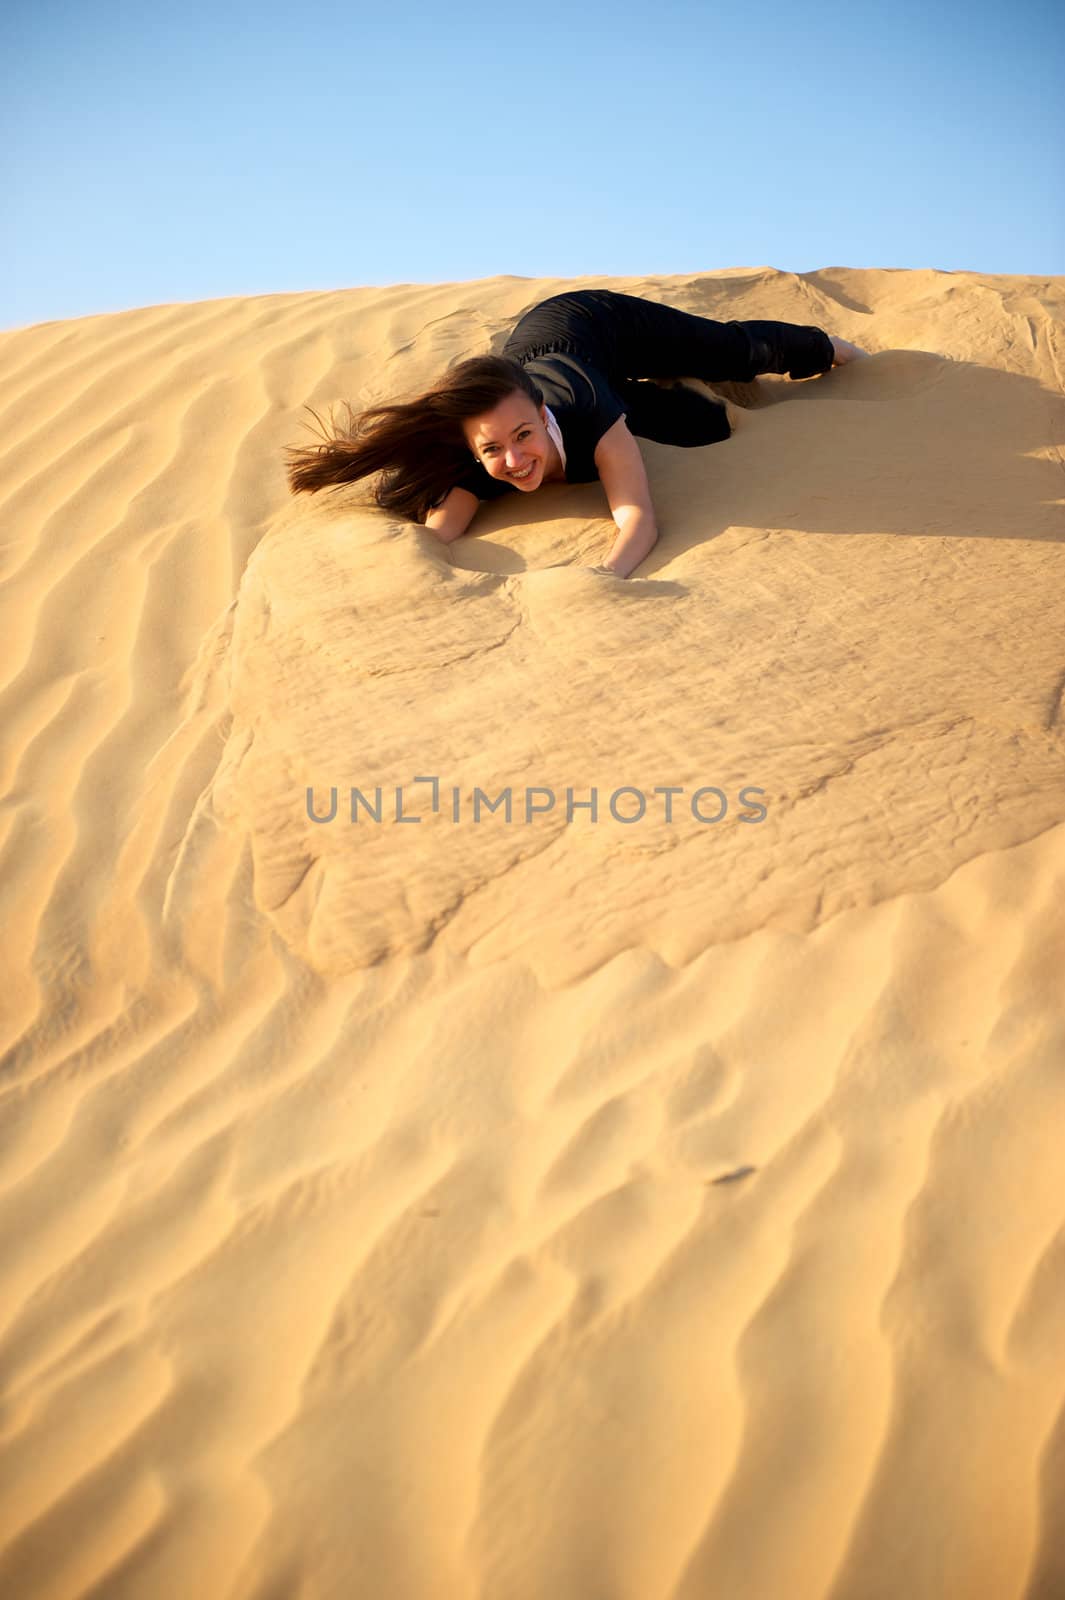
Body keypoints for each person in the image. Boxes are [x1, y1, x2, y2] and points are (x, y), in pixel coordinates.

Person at [284, 288, 869, 579]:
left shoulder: (586, 413)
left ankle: (834, 348)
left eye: (522, 436)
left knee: (731, 353)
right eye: (491, 449)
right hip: (569, 375)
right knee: (702, 425)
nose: (512, 460)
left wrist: (607, 578)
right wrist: (417, 567)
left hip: (593, 327)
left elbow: (637, 516)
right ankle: (655, 392)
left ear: (542, 415)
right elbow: (441, 532)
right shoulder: (477, 454)